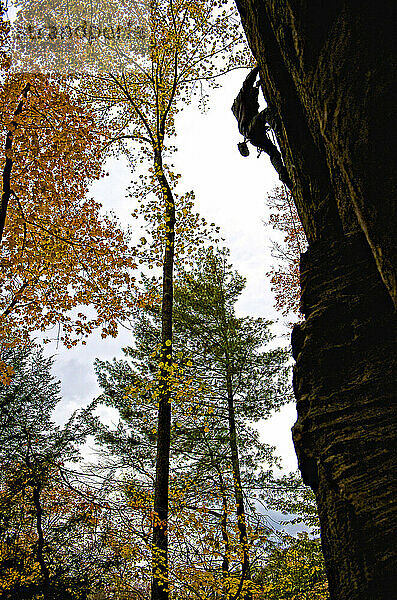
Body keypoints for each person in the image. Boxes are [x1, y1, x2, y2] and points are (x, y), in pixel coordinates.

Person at [232, 67, 292, 189]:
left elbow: (252, 97)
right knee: (267, 113)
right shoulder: (241, 99)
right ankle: (278, 128)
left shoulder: (241, 107)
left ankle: (282, 173)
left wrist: (257, 87)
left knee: (272, 151)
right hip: (252, 128)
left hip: (252, 136)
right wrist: (257, 68)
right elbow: (247, 83)